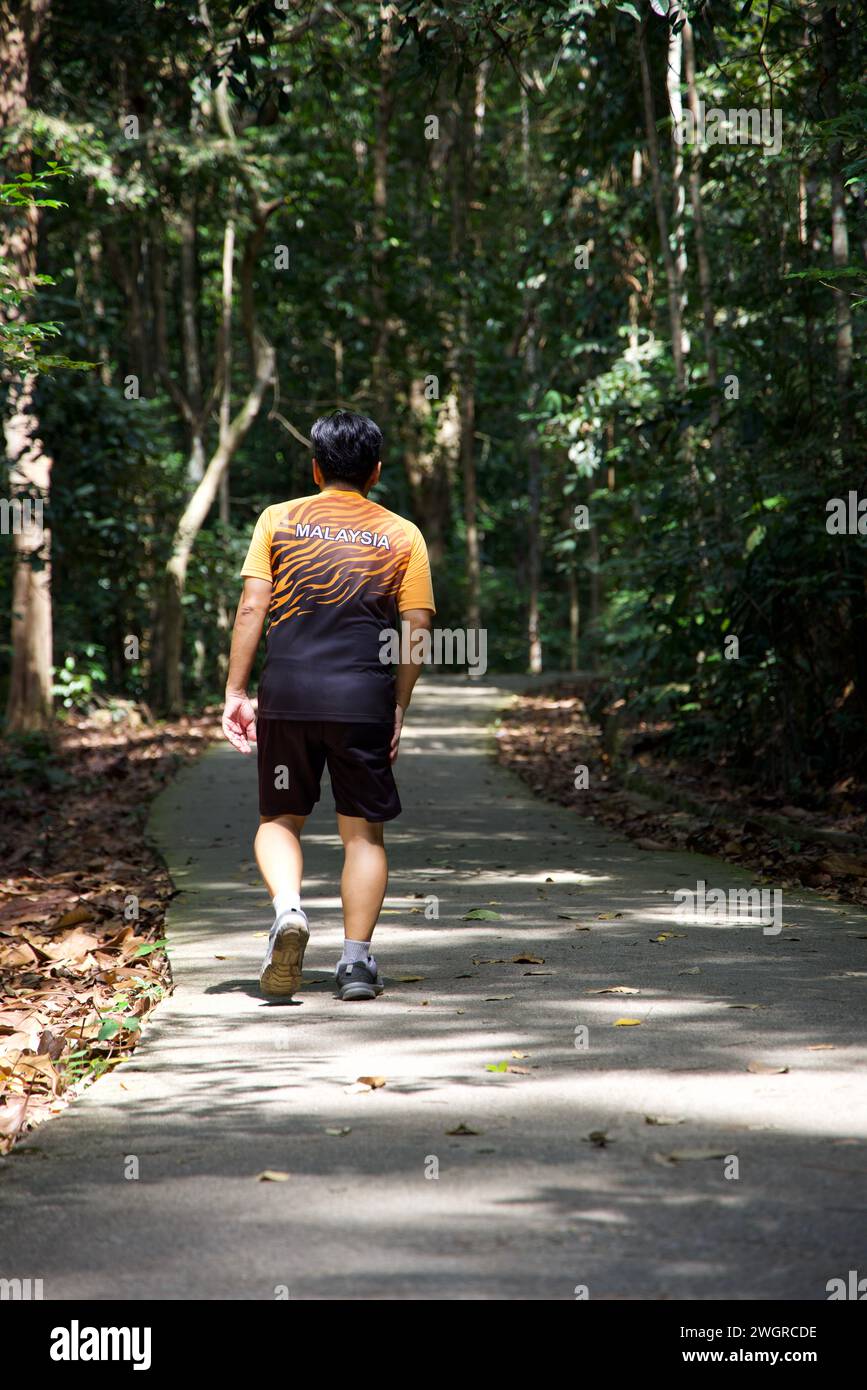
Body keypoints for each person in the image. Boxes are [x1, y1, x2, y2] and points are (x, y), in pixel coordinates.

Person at [221, 410, 435, 1001]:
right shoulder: (401, 533)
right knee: (363, 835)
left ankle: (289, 910)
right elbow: (415, 628)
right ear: (377, 472)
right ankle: (356, 964)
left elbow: (250, 609)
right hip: (362, 696)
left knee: (279, 820)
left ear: (316, 467)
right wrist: (397, 705)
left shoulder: (279, 520)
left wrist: (237, 693)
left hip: (287, 692)